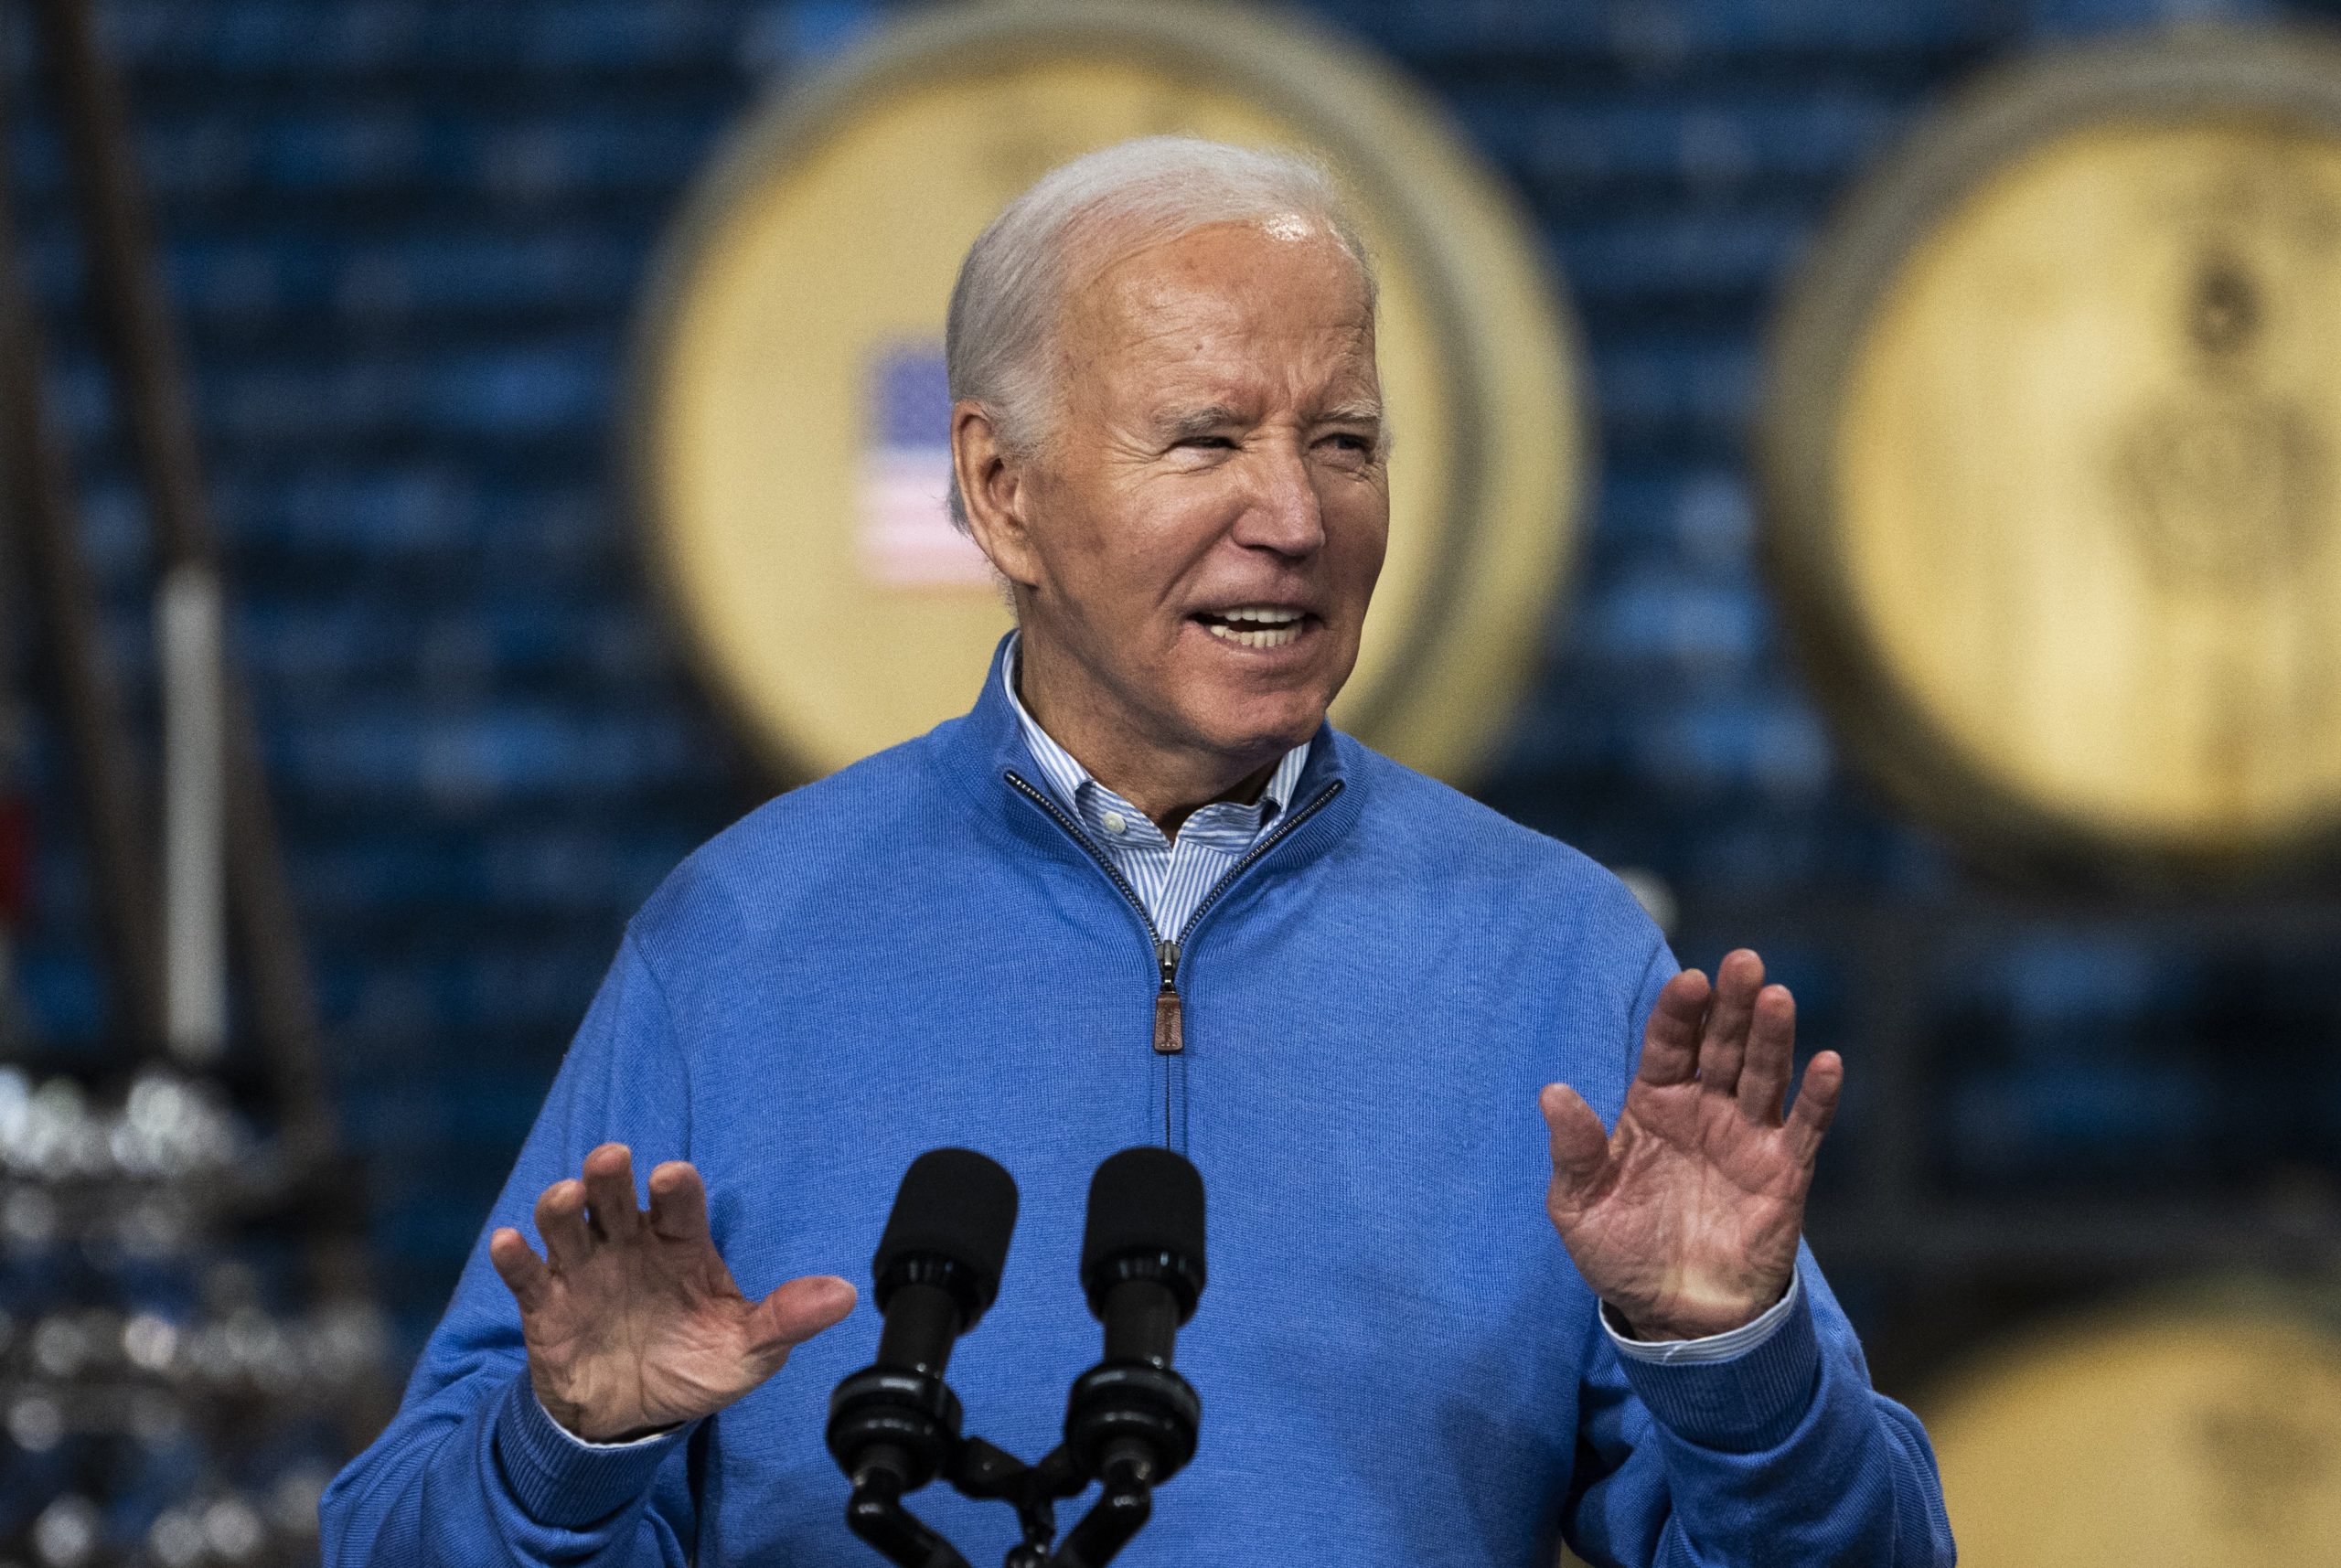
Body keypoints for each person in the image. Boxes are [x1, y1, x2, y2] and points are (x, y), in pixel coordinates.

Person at [322, 136, 1953, 1568]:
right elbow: (390, 1540)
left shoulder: (1555, 952)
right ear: (998, 489)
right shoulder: (741, 943)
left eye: (1345, 441)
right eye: (1205, 440)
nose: (1297, 518)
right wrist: (572, 1452)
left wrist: (1734, 1359)